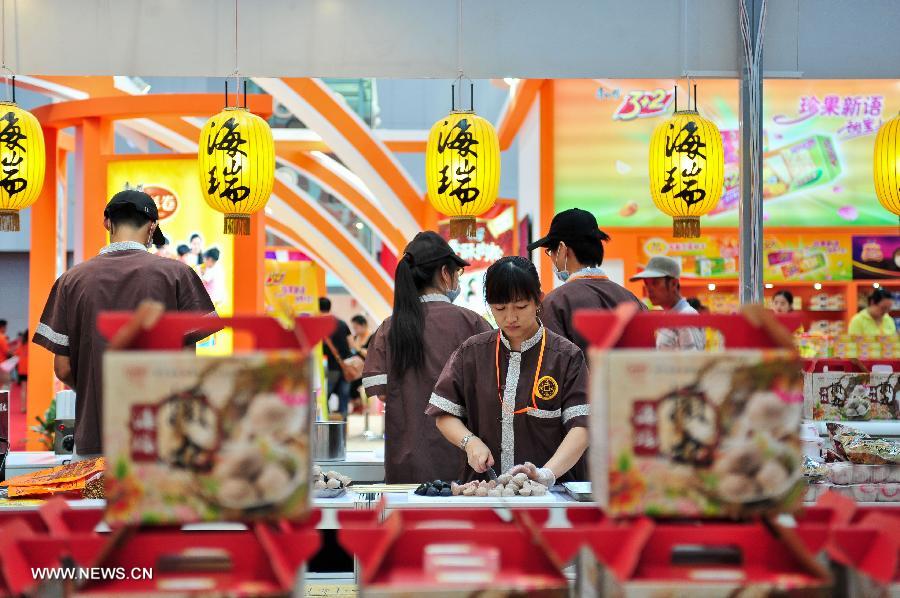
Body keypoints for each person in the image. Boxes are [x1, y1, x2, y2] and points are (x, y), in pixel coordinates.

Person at [32, 190, 216, 460]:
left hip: (94, 441)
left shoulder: (71, 281)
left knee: (92, 503)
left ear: (107, 222)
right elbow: (187, 367)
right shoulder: (178, 275)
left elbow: (63, 368)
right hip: (160, 441)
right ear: (153, 226)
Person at [428, 256, 590, 485]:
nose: (510, 317)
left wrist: (546, 474)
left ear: (538, 301)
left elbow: (583, 426)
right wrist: (470, 442)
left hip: (551, 496)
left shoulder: (566, 356)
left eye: (521, 306)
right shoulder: (472, 352)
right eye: (500, 308)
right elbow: (444, 414)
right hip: (485, 489)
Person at [362, 231, 492, 483]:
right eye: (457, 272)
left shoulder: (389, 328)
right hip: (466, 464)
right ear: (445, 273)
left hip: (407, 464)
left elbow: (382, 393)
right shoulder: (473, 323)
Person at [528, 208, 645, 353]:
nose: (551, 257)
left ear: (563, 249)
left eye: (551, 251)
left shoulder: (555, 303)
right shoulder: (632, 299)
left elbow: (552, 365)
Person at [630, 256, 705, 351]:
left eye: (655, 283)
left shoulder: (685, 317)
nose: (649, 289)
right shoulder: (670, 315)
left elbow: (694, 362)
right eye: (646, 284)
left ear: (673, 284)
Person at [319, 297, 353, 418]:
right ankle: (342, 428)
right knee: (343, 397)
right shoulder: (342, 323)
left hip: (331, 366)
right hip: (346, 365)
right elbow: (351, 343)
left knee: (324, 396)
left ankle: (328, 424)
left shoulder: (318, 324)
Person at [348, 314, 372, 411]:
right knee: (350, 387)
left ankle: (363, 409)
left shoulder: (373, 337)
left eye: (356, 327)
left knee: (360, 390)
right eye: (353, 328)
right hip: (355, 370)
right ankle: (357, 407)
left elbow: (371, 354)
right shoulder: (355, 338)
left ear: (364, 325)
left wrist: (358, 349)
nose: (355, 330)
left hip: (367, 370)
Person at [15, 329, 27, 413]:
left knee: (23, 389)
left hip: (22, 369)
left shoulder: (21, 344)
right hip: (31, 369)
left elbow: (17, 354)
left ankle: (23, 407)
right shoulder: (33, 344)